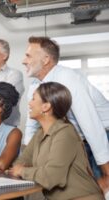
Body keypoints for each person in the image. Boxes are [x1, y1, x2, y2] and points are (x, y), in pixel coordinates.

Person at [22, 36, 109, 181]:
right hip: (78, 139)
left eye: (28, 56)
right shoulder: (34, 86)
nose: (24, 61)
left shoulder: (68, 79)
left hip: (102, 135)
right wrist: (25, 160)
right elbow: (31, 125)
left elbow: (90, 123)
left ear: (45, 60)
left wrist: (106, 167)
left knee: (101, 189)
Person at [9, 82, 104, 200]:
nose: (30, 103)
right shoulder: (39, 133)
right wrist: (24, 169)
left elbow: (51, 176)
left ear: (46, 106)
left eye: (33, 99)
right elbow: (21, 161)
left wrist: (23, 171)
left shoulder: (65, 133)